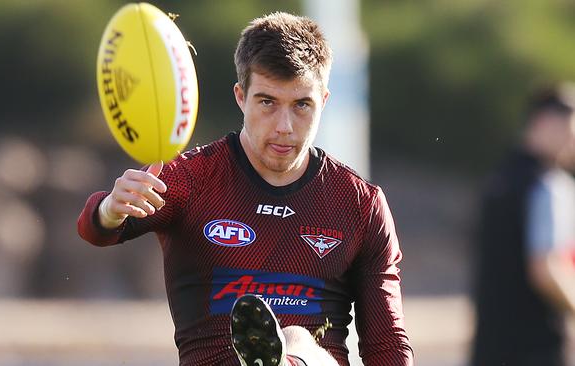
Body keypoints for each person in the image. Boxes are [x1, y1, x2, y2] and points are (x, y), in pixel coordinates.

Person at [78, 11, 413, 366]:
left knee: (297, 337)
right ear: (241, 97)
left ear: (324, 102)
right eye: (267, 102)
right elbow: (96, 230)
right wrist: (110, 209)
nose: (284, 126)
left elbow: (388, 346)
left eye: (302, 105)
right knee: (294, 338)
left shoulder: (358, 203)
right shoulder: (194, 179)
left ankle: (288, 361)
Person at [471, 85, 575, 366]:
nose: (572, 141)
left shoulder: (498, 180)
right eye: (570, 129)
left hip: (490, 347)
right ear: (544, 123)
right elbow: (546, 269)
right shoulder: (549, 185)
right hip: (538, 347)